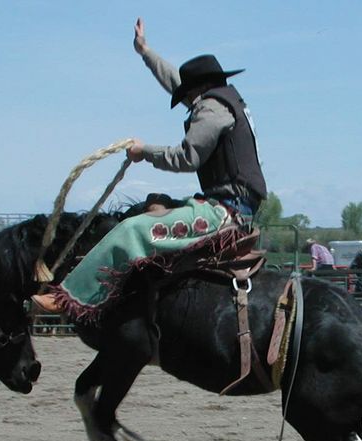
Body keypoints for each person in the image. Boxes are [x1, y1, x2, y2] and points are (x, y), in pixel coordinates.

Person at [33, 18, 267, 318]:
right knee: (154, 203)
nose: (185, 100)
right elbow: (176, 81)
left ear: (200, 89)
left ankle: (70, 298)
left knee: (131, 229)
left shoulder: (210, 108)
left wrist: (144, 152)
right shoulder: (224, 102)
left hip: (224, 213)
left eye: (187, 96)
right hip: (232, 205)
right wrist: (145, 52)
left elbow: (187, 157)